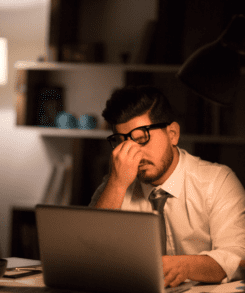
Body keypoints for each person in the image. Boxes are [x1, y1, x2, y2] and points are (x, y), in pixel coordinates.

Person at [89, 85, 245, 288]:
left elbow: (238, 257)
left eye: (142, 138)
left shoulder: (217, 181)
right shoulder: (114, 185)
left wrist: (185, 266)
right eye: (122, 143)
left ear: (173, 134)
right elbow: (89, 254)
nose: (133, 154)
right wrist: (117, 184)